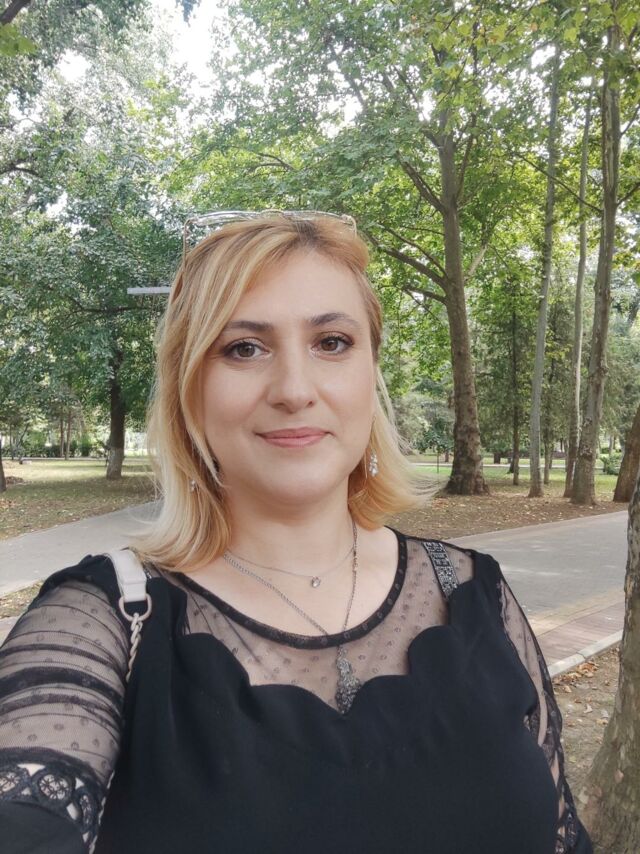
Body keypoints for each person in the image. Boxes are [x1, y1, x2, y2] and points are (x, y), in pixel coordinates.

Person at [0, 211, 593, 853]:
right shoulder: (104, 622)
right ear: (190, 387)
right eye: (243, 348)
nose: (294, 389)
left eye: (331, 342)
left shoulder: (477, 590)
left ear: (370, 372)